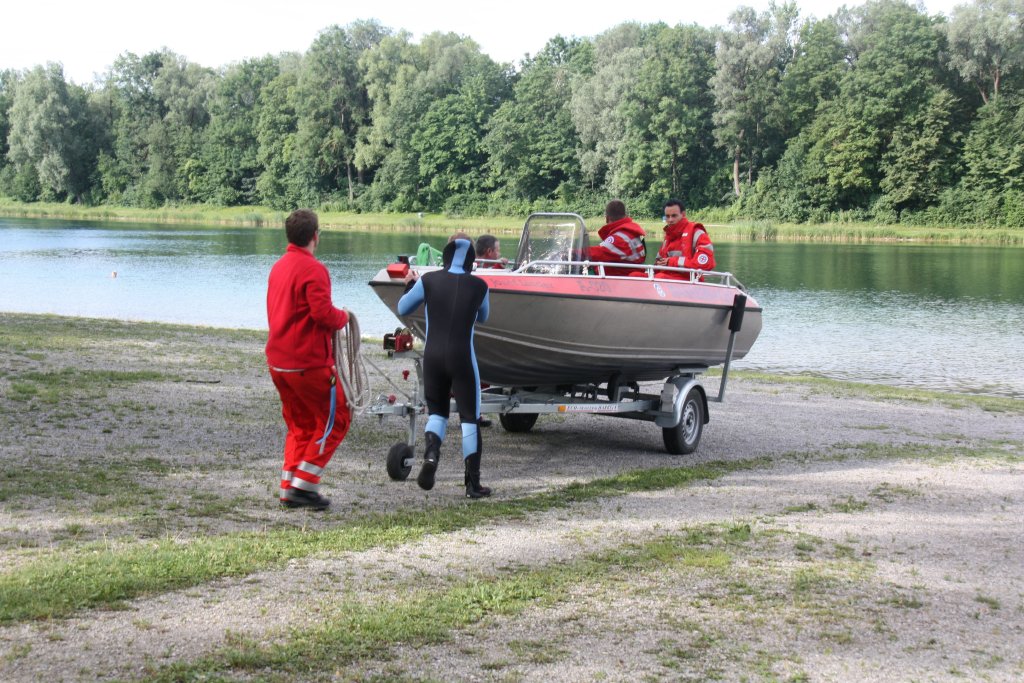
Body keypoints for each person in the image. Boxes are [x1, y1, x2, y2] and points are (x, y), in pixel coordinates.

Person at [265, 209, 351, 511]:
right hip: (308, 363)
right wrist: (344, 317)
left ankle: (289, 488)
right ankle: (304, 484)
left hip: (279, 362)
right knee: (337, 418)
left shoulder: (278, 267)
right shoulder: (314, 269)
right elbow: (323, 314)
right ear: (316, 235)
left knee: (300, 425)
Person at [398, 236, 493, 499]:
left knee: (437, 414)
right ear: (472, 261)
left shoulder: (428, 281)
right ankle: (473, 485)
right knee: (469, 419)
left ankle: (431, 457)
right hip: (462, 357)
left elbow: (403, 307)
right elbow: (483, 317)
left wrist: (410, 286)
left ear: (447, 256)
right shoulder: (480, 286)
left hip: (433, 356)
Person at [653, 199, 715, 280]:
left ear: (683, 214)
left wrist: (672, 262)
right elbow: (658, 263)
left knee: (659, 277)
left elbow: (705, 264)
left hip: (689, 282)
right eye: (667, 216)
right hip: (667, 279)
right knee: (635, 275)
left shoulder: (697, 233)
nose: (670, 220)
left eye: (674, 216)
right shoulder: (668, 236)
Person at [587, 200, 646, 276]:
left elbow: (598, 253)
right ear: (625, 216)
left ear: (607, 218)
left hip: (618, 281)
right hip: (628, 274)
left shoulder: (619, 238)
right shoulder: (630, 233)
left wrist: (573, 252)